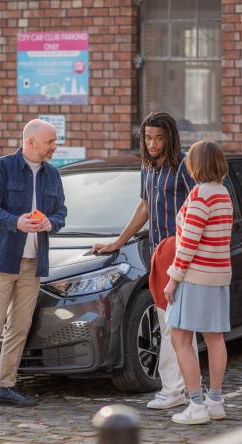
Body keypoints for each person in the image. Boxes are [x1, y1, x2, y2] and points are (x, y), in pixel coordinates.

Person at [92, 111, 198, 409]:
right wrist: (118, 242)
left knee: (176, 324)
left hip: (181, 254)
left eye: (159, 138)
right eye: (148, 138)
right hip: (157, 255)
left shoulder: (184, 167)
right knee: (168, 322)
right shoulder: (147, 167)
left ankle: (176, 390)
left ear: (170, 138)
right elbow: (144, 207)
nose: (152, 143)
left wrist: (192, 252)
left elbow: (199, 207)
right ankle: (182, 389)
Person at [0, 119, 67, 416]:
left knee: (19, 327)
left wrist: (53, 222)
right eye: (50, 141)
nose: (55, 146)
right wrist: (16, 222)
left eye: (54, 141)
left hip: (33, 261)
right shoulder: (3, 167)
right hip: (2, 260)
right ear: (31, 142)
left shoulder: (53, 175)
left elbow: (61, 211)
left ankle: (7, 386)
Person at [164, 140, 233, 425]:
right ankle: (215, 401)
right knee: (215, 337)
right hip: (219, 275)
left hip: (195, 277)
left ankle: (195, 406)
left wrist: (172, 279)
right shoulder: (223, 194)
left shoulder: (200, 194)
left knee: (180, 339)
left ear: (197, 164)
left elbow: (188, 243)